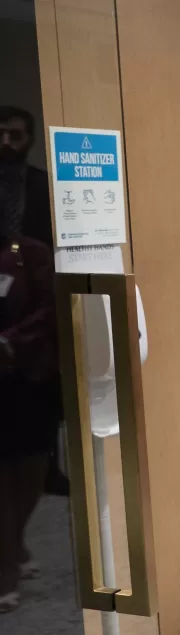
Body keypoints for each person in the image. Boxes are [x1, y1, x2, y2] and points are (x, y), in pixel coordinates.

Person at [0, 232, 58, 612]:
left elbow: (50, 308)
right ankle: (5, 567)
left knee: (33, 467)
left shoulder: (29, 253)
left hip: (30, 376)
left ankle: (14, 543)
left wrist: (12, 341)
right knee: (4, 474)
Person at [0, 106, 52, 249]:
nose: (5, 142)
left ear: (30, 140)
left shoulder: (46, 185)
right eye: (0, 134)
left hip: (35, 265)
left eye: (15, 135)